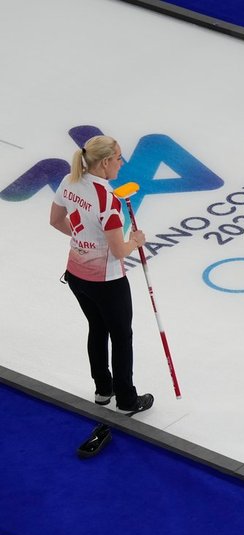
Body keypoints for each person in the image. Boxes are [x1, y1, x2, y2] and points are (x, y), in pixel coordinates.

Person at [48, 135, 153, 415]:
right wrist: (137, 241)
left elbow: (55, 221)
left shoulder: (68, 181)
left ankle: (103, 390)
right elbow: (119, 251)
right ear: (105, 162)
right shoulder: (107, 200)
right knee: (121, 338)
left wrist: (85, 241)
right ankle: (127, 400)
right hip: (106, 282)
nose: (121, 163)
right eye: (118, 158)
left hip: (76, 275)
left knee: (97, 328)